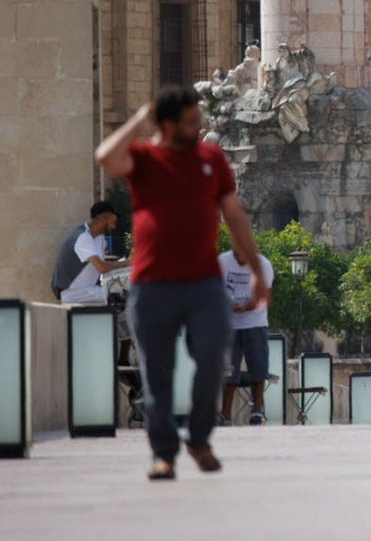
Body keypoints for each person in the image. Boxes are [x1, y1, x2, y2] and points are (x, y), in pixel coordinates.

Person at [96, 84, 269, 481]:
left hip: (204, 283)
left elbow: (235, 216)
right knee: (157, 374)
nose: (200, 126)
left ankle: (201, 437)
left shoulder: (211, 158)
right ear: (169, 124)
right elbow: (106, 155)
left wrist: (257, 271)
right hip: (152, 284)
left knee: (213, 359)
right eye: (192, 121)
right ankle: (164, 454)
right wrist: (141, 117)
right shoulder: (145, 158)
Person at [218, 249, 275, 426]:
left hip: (255, 321)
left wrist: (247, 307)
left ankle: (257, 411)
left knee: (258, 368)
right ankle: (225, 414)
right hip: (229, 325)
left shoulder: (263, 264)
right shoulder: (222, 262)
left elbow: (264, 294)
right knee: (229, 370)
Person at [51, 200, 125, 303]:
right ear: (103, 219)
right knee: (122, 295)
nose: (114, 227)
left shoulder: (100, 239)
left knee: (124, 291)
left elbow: (102, 267)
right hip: (73, 293)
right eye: (112, 223)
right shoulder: (82, 237)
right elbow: (102, 268)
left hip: (91, 290)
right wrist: (128, 263)